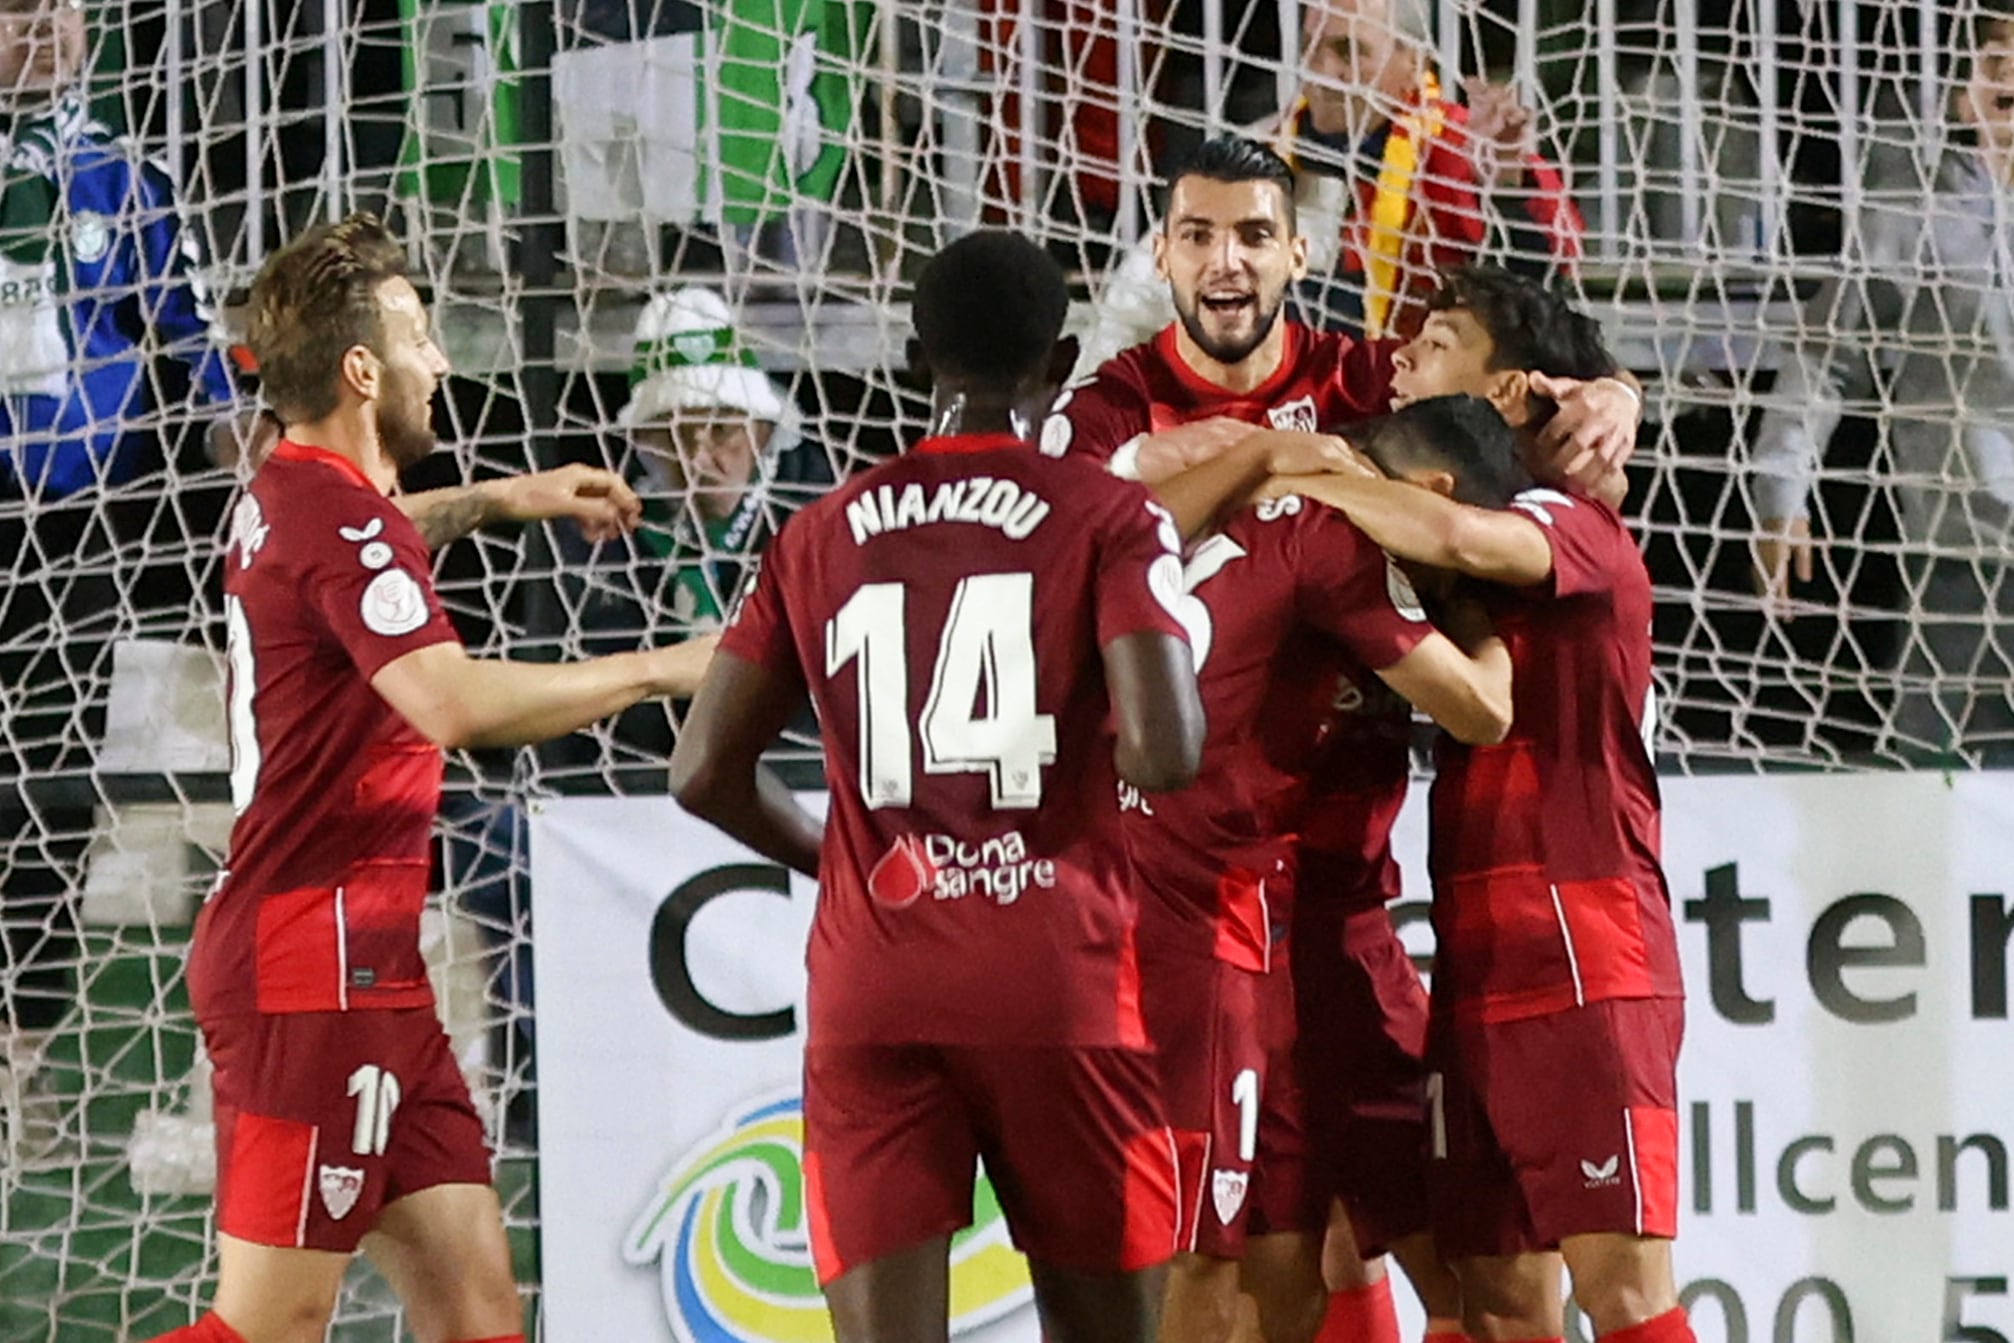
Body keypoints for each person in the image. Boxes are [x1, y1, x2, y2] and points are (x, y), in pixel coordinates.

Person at [147, 212, 715, 1343]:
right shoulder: (336, 517)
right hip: (309, 967)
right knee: (266, 1326)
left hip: (373, 970)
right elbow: (451, 702)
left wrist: (506, 496)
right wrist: (665, 666)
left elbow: (375, 537)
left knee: (477, 1310)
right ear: (363, 371)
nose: (442, 362)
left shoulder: (291, 491)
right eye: (419, 339)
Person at [668, 229, 1205, 1343]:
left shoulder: (816, 531)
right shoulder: (1107, 514)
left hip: (877, 980)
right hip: (1055, 980)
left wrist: (836, 854)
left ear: (916, 361)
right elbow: (1163, 752)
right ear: (1061, 363)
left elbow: (703, 771)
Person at [1269, 399, 1694, 1343]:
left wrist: (1288, 470)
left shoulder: (1570, 523)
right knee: (1493, 1299)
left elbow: (1459, 546)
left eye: (1434, 344)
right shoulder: (1453, 599)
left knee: (1624, 1289)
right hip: (1474, 974)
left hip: (1582, 958)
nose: (1403, 359)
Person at [1125, 395, 1519, 1343]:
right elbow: (1481, 709)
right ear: (1434, 494)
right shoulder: (1340, 537)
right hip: (1221, 911)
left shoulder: (1249, 504)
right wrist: (1487, 619)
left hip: (1231, 910)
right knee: (1466, 1262)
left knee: (1278, 1256)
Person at [0, 0, 251, 1162]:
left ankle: (22, 1051)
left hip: (73, 529)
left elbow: (194, 337)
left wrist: (239, 427)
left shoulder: (123, 177)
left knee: (48, 792)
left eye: (64, 10)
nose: (47, 31)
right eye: (19, 11)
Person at [1048, 136, 1636, 501]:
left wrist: (1617, 396)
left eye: (1255, 236)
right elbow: (1051, 544)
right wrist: (1130, 467)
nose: (1225, 262)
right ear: (1161, 258)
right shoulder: (1110, 406)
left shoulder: (1366, 376)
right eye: (1197, 237)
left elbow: (1556, 400)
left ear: (1297, 256)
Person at [1750, 3, 2014, 764]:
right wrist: (1781, 489)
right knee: (1929, 783)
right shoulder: (1912, 209)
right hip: (1962, 557)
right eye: (1998, 58)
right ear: (1965, 92)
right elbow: (1827, 355)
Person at [1076, 0, 1581, 368]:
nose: (1324, 72)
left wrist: (1506, 187)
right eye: (1312, 50)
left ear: (1412, 62)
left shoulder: (1466, 152)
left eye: (1348, 52)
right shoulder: (1258, 155)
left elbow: (1538, 293)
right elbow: (1139, 301)